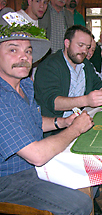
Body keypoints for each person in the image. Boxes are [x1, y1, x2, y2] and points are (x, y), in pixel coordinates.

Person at [0, 23, 93, 215]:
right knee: (80, 204)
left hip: (31, 167)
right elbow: (37, 155)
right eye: (13, 50)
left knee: (89, 175)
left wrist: (63, 122)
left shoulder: (24, 84)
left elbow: (33, 121)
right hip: (8, 179)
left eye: (28, 50)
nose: (23, 57)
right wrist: (75, 129)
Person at [34, 25, 102, 137]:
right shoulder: (49, 65)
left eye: (87, 47)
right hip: (54, 131)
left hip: (80, 124)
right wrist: (86, 100)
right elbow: (53, 102)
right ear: (67, 43)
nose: (84, 51)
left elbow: (99, 85)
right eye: (80, 45)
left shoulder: (85, 64)